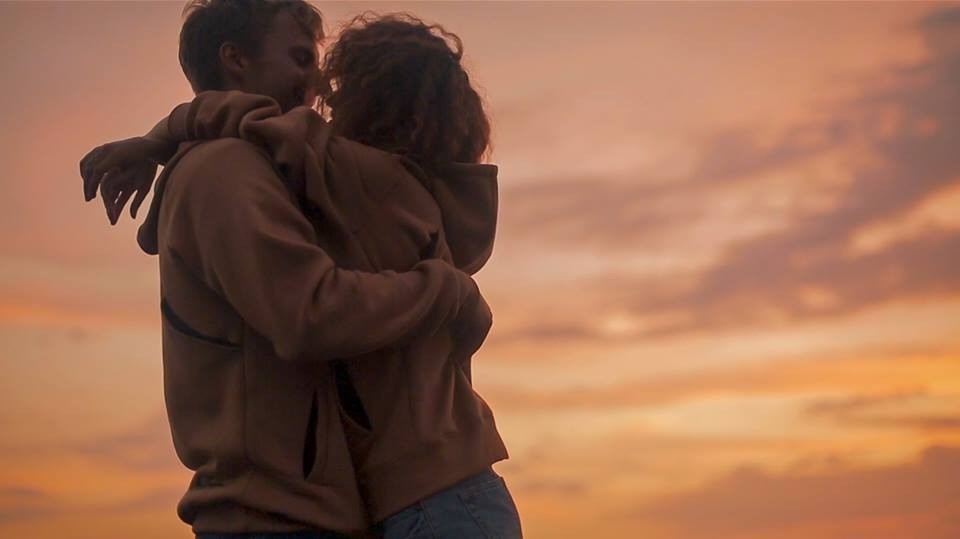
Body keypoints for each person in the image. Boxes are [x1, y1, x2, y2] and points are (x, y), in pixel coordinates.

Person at [80, 4, 522, 539]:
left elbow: (268, 130)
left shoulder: (356, 181)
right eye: (299, 59)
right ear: (235, 59)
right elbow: (310, 312)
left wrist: (161, 137)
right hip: (306, 509)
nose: (319, 87)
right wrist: (450, 290)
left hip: (418, 499)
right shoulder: (233, 171)